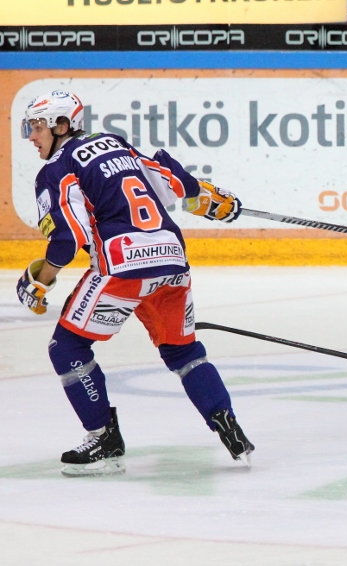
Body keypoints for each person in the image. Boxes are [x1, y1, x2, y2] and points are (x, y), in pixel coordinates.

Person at [16, 90, 255, 476]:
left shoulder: (56, 169)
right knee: (183, 352)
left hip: (122, 266)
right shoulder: (115, 144)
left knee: (68, 346)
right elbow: (174, 181)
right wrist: (207, 198)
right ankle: (228, 425)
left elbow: (66, 239)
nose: (31, 135)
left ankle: (103, 439)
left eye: (38, 126)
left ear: (62, 126)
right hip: (171, 259)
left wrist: (38, 281)